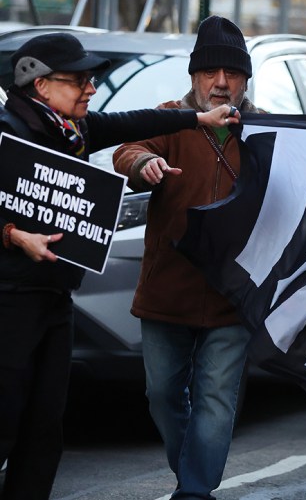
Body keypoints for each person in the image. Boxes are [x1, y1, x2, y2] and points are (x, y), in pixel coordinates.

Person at [0, 32, 237, 500]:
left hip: (56, 297)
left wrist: (196, 118)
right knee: (5, 416)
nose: (91, 89)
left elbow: (133, 122)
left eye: (92, 79)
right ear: (40, 85)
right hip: (9, 300)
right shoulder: (7, 131)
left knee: (45, 424)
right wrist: (11, 234)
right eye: (80, 80)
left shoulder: (76, 129)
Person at [111, 15, 260, 500]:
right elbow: (126, 149)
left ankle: (194, 493)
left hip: (232, 297)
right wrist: (142, 163)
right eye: (210, 72)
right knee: (162, 396)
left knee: (216, 399)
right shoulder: (170, 117)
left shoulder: (264, 132)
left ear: (244, 79)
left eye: (232, 74)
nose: (221, 83)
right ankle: (191, 474)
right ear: (194, 76)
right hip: (166, 290)